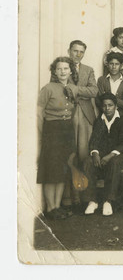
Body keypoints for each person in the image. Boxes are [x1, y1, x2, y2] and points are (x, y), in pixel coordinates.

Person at [37, 57, 78, 220]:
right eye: (59, 69)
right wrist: (44, 133)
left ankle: (57, 206)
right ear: (54, 71)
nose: (63, 72)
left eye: (66, 68)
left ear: (70, 71)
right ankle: (50, 207)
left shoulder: (73, 88)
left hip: (67, 130)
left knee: (63, 169)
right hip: (52, 131)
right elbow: (39, 113)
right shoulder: (47, 88)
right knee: (51, 170)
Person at [83, 93, 123, 216]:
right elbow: (94, 140)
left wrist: (110, 155)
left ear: (116, 107)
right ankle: (92, 201)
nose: (107, 108)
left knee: (114, 163)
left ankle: (108, 201)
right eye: (104, 106)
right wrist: (95, 153)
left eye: (110, 105)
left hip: (118, 155)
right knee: (88, 162)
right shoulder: (99, 120)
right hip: (102, 154)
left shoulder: (122, 120)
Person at [64, 40, 98, 209]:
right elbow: (60, 90)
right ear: (69, 50)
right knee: (70, 156)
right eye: (75, 51)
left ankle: (85, 197)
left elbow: (94, 91)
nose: (78, 54)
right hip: (68, 115)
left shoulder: (88, 70)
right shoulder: (62, 68)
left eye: (81, 52)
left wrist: (75, 90)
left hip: (85, 116)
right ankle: (71, 197)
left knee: (84, 156)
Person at [96, 52, 123, 117]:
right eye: (111, 64)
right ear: (107, 64)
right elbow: (99, 101)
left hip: (122, 116)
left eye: (117, 64)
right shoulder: (101, 80)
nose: (114, 67)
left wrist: (110, 98)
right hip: (105, 116)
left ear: (121, 65)